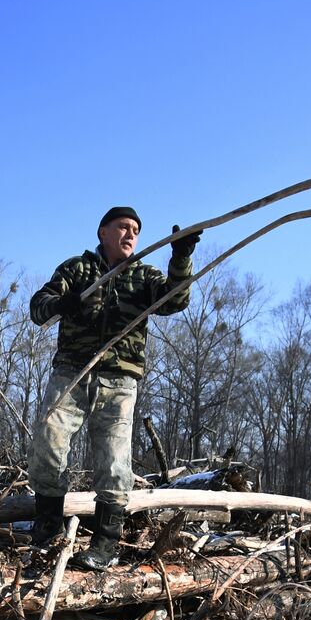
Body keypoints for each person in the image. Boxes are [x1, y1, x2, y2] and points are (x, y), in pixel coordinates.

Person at [28, 207, 202, 569]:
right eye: (123, 227)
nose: (130, 234)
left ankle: (106, 543)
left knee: (113, 456)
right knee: (49, 439)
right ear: (103, 232)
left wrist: (181, 258)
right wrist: (64, 304)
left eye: (136, 230)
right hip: (71, 372)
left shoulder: (142, 275)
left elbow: (174, 299)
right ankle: (47, 529)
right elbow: (38, 307)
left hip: (119, 379)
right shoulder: (76, 269)